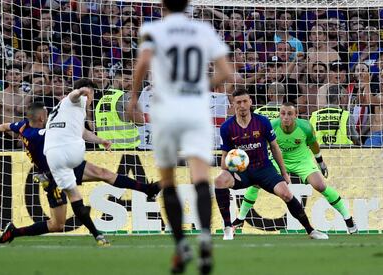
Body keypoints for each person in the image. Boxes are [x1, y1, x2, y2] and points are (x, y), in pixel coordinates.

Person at [127, 0, 232, 273]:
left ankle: (181, 246)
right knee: (200, 176)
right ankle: (206, 238)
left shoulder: (153, 28)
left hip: (166, 109)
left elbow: (143, 62)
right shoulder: (203, 29)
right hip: (196, 110)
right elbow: (226, 72)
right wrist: (198, 87)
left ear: (162, 4)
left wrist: (134, 96)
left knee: (168, 179)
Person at [0, 102, 159, 245]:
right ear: (41, 118)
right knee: (57, 224)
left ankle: (147, 189)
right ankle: (14, 232)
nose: (48, 116)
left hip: (65, 163)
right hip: (51, 175)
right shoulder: (40, 135)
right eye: (46, 113)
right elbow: (76, 132)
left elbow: (6, 126)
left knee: (103, 173)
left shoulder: (22, 126)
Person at [214, 89, 328, 241]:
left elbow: (274, 147)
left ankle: (311, 230)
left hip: (264, 169)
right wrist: (228, 168)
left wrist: (284, 172)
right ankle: (228, 228)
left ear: (250, 102)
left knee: (287, 194)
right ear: (233, 104)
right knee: (219, 180)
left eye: (245, 101)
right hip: (243, 172)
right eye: (238, 102)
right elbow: (224, 157)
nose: (242, 105)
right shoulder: (227, 127)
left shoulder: (262, 121)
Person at [233, 102, 357, 234]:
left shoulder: (305, 127)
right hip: (278, 159)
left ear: (296, 115)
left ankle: (348, 218)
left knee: (320, 185)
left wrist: (320, 162)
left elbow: (314, 145)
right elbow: (261, 145)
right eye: (283, 113)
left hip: (301, 160)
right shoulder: (272, 126)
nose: (285, 117)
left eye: (289, 114)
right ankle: (240, 218)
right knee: (256, 183)